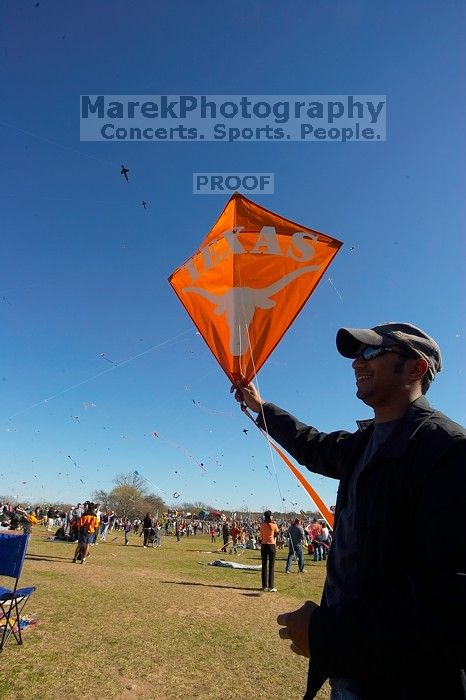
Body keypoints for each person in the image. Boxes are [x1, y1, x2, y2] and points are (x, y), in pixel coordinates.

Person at [234, 322, 466, 699]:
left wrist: (327, 634)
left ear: (416, 368)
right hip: (352, 669)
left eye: (372, 352)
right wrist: (261, 408)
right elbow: (310, 444)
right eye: (357, 355)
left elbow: (449, 603)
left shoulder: (447, 452)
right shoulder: (362, 445)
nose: (358, 362)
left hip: (407, 684)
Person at [260, 510, 279, 592]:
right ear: (270, 517)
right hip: (271, 545)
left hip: (264, 545)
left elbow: (261, 536)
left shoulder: (262, 525)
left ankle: (264, 586)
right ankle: (271, 586)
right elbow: (277, 532)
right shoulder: (274, 525)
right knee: (271, 566)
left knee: (264, 566)